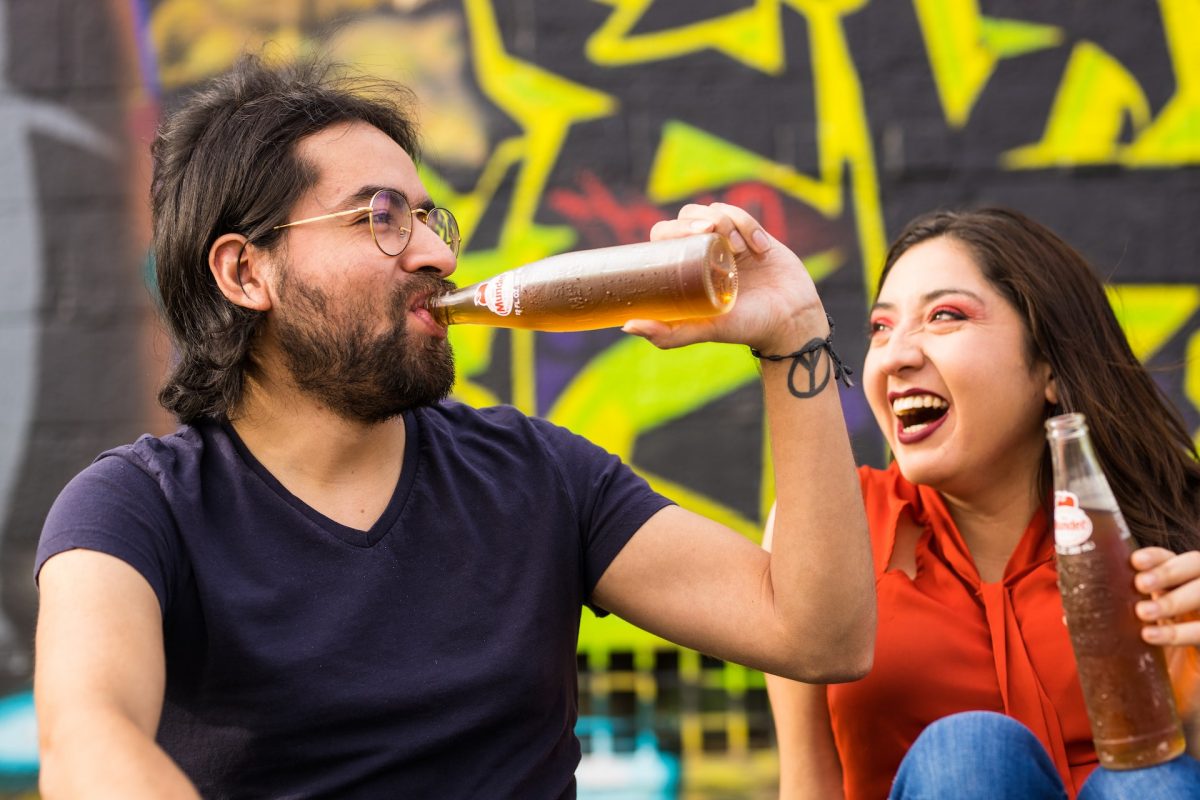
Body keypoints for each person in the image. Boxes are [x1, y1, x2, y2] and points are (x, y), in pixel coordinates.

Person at [31, 55, 875, 799]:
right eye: (380, 217)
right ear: (246, 270)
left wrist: (792, 332)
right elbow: (87, 746)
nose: (437, 255)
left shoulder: (537, 477)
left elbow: (817, 634)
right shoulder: (134, 511)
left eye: (430, 220)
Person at [764, 207, 1200, 800]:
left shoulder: (1175, 533)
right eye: (880, 328)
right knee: (969, 753)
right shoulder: (832, 528)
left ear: (1049, 366)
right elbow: (808, 781)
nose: (895, 356)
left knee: (1153, 781)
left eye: (944, 316)